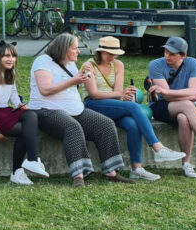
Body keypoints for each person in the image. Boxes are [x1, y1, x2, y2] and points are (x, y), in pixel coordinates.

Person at [28, 33, 132, 187]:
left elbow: (74, 85)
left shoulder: (70, 63)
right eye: (75, 48)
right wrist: (74, 80)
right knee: (73, 127)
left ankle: (111, 171)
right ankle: (79, 175)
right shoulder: (43, 62)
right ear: (63, 49)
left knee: (106, 124)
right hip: (46, 111)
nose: (78, 51)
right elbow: (45, 89)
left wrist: (83, 76)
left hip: (75, 110)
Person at [81, 36, 185, 180]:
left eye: (115, 53)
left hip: (111, 104)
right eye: (109, 53)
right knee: (133, 108)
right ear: (100, 52)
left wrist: (123, 95)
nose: (113, 57)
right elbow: (93, 94)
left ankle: (136, 168)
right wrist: (121, 94)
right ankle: (157, 147)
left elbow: (117, 95)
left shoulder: (118, 65)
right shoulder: (89, 65)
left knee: (133, 125)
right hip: (92, 104)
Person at [0, 40, 48, 186]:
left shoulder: (10, 71)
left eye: (13, 56)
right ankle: (18, 171)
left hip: (2, 110)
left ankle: (32, 161)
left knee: (31, 115)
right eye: (6, 56)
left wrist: (19, 105)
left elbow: (13, 93)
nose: (11, 59)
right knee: (26, 130)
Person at [147, 36, 196, 178]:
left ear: (183, 56)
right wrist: (195, 98)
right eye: (166, 52)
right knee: (187, 105)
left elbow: (193, 91)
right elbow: (166, 97)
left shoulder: (194, 64)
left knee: (184, 118)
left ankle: (186, 165)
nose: (167, 56)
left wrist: (171, 92)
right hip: (161, 106)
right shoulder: (155, 65)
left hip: (186, 107)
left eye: (172, 54)